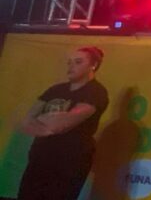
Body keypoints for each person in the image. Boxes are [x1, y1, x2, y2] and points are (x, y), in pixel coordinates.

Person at [17, 46, 109, 200]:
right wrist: (49, 122)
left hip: (69, 162)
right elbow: (27, 120)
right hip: (40, 158)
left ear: (93, 65)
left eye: (78, 62)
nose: (71, 66)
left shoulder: (95, 91)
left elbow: (63, 124)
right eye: (69, 62)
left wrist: (43, 121)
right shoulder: (55, 90)